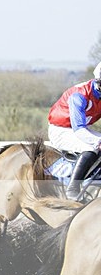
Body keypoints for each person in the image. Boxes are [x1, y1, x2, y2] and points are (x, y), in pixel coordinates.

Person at [47, 62, 101, 200]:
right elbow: (79, 130)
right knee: (91, 146)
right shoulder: (79, 95)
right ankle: (73, 188)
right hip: (61, 130)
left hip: (80, 129)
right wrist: (98, 141)